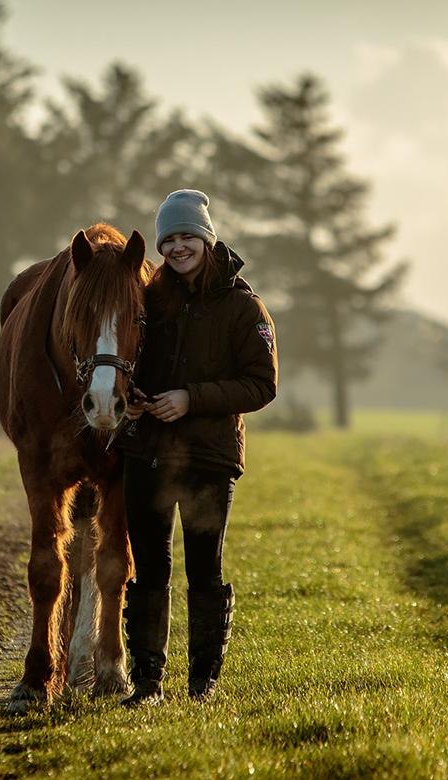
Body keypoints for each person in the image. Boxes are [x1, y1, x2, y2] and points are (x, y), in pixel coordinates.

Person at [117, 189, 278, 706]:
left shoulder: (243, 306)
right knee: (149, 569)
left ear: (207, 239)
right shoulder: (146, 300)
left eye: (188, 236)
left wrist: (192, 399)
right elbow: (128, 360)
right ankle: (147, 684)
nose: (178, 247)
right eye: (169, 239)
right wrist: (134, 399)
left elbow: (261, 385)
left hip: (209, 458)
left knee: (205, 568)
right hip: (148, 454)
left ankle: (202, 685)